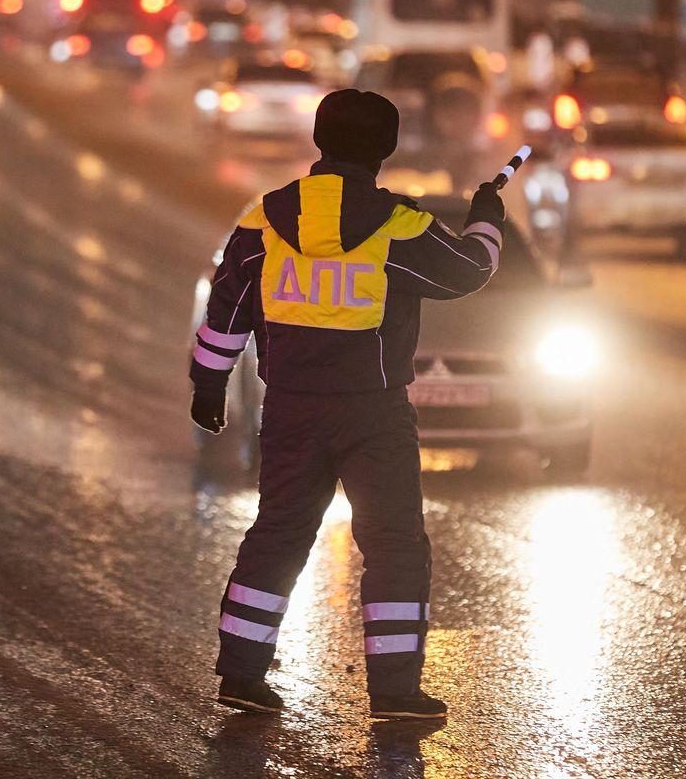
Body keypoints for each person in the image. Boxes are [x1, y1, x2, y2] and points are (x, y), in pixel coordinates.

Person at [190, 89, 505, 721]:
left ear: (318, 138)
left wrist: (209, 383)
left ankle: (241, 673)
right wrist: (485, 216)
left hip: (290, 408)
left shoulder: (263, 217)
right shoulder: (399, 225)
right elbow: (471, 271)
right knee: (393, 545)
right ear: (385, 150)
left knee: (277, 534)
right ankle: (394, 692)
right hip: (374, 415)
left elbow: (226, 306)